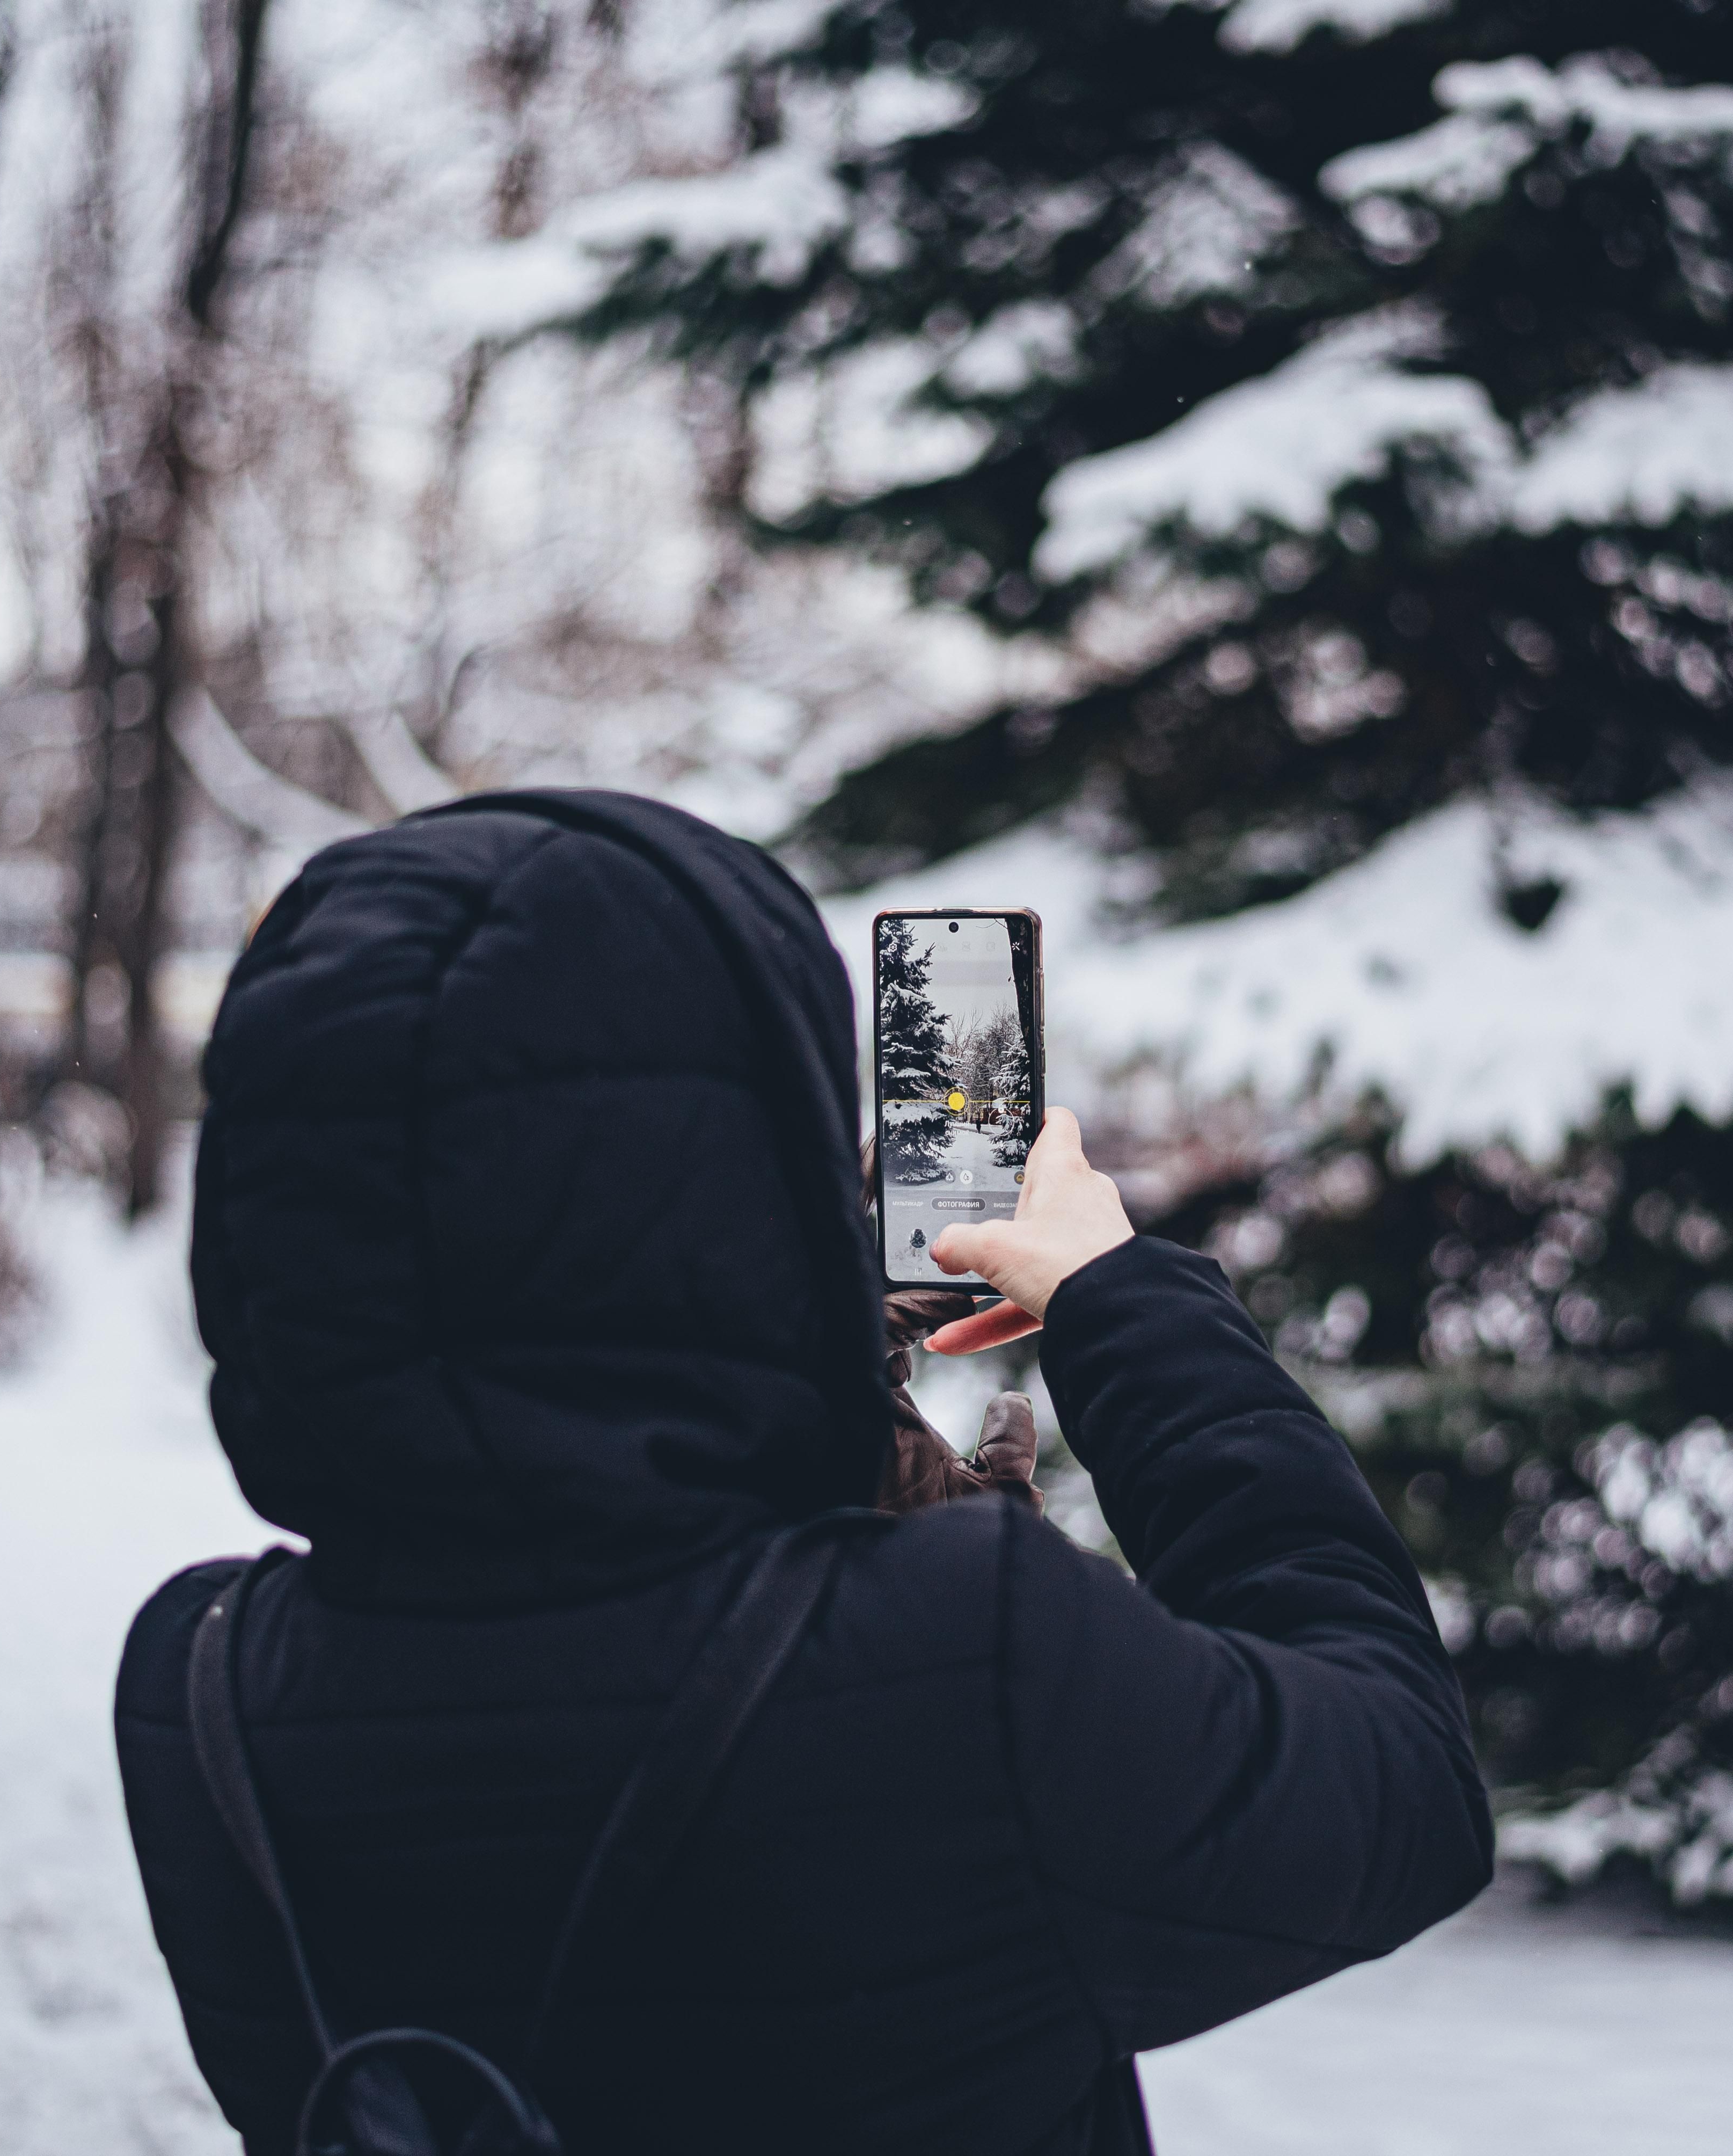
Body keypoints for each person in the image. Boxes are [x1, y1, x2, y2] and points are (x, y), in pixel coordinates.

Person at [115, 793, 1494, 2154]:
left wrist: (812, 1421)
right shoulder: (973, 1659)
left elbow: (545, 1568)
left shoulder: (199, 1692)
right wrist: (1118, 1301)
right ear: (740, 1161)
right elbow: (1401, 1779)